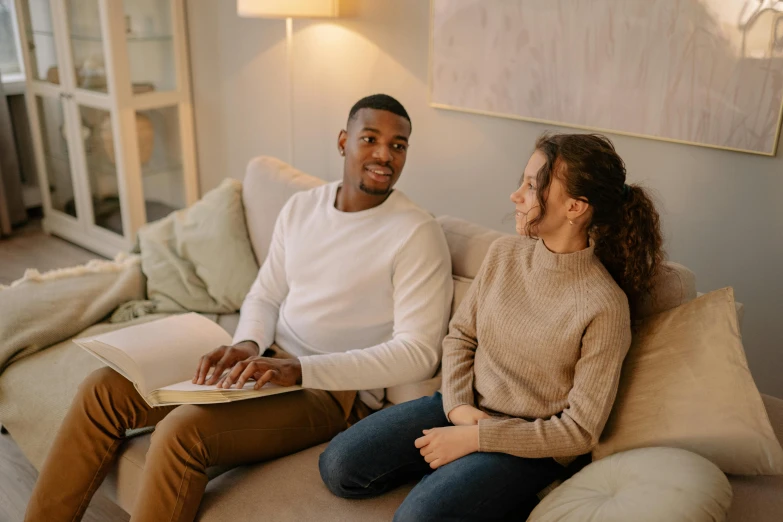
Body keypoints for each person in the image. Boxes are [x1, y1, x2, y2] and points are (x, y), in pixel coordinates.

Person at [25, 94, 453, 522]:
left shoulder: (416, 233)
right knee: (103, 389)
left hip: (328, 392)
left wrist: (300, 369)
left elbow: (420, 354)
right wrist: (248, 343)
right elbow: (265, 294)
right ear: (344, 141)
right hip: (267, 361)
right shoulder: (303, 207)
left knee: (181, 432)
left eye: (398, 145)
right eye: (371, 138)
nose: (384, 155)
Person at [319, 133, 665, 521]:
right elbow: (461, 337)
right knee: (337, 466)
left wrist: (477, 439)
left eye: (533, 186)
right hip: (465, 409)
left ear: (575, 207)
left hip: (531, 445)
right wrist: (460, 410)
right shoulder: (504, 254)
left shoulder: (604, 305)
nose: (516, 196)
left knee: (417, 519)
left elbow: (579, 432)